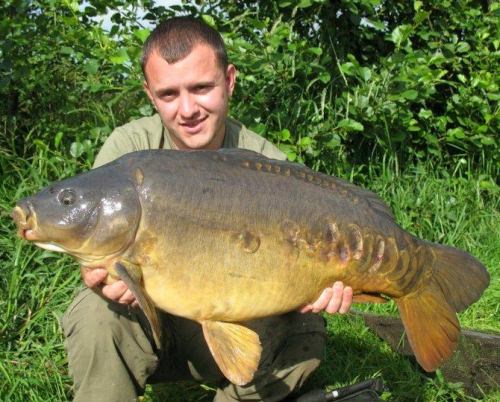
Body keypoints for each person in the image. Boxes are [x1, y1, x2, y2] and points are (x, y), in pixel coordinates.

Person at [62, 16, 353, 402]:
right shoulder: (128, 150)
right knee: (95, 314)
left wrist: (327, 284)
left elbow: (313, 268)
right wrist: (101, 276)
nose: (187, 109)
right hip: (157, 327)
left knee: (304, 334)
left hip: (241, 325)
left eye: (201, 88)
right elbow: (93, 251)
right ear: (150, 94)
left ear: (229, 80)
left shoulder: (265, 162)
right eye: (169, 94)